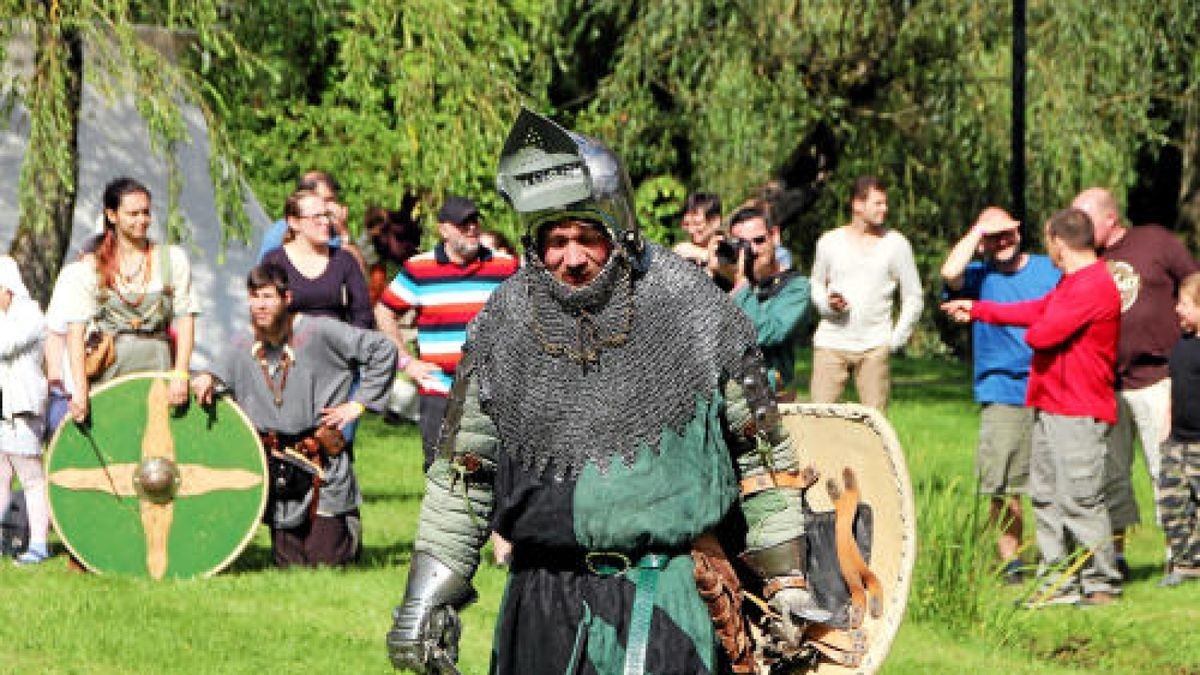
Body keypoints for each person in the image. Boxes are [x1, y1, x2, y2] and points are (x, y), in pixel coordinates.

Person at [387, 108, 825, 675]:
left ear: (618, 229)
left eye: (587, 237)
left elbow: (764, 457)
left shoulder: (694, 311)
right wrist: (426, 600)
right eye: (555, 239)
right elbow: (462, 475)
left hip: (665, 600)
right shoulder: (505, 323)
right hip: (540, 605)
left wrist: (787, 585)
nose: (571, 258)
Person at [942, 207, 1122, 606]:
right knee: (1045, 493)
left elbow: (1043, 333)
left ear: (1059, 242)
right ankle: (1056, 580)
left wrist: (1035, 328)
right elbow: (1037, 312)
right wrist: (979, 309)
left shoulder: (1092, 284)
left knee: (1080, 497)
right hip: (1050, 404)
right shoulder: (1072, 283)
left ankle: (1100, 583)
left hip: (1079, 408)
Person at [190, 263, 396, 568]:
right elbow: (217, 370)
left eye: (268, 296)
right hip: (279, 469)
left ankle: (347, 528)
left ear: (287, 298)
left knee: (327, 562)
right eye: (255, 297)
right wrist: (207, 376)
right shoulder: (242, 343)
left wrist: (359, 403)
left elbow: (382, 350)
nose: (260, 305)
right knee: (290, 565)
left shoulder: (319, 331)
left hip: (321, 462)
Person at [1072, 187, 1199, 576]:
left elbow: (1193, 278)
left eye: (1083, 218)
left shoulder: (1154, 241)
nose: (1076, 227)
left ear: (1109, 218)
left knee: (1166, 470)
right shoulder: (1084, 260)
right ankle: (1116, 554)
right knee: (1111, 474)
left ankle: (1177, 554)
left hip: (1158, 376)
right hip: (1108, 384)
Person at [940, 207, 1061, 583]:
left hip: (1051, 383)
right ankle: (1012, 561)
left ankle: (1056, 558)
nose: (1001, 241)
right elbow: (948, 273)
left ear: (1020, 231)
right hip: (1001, 388)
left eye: (1006, 233)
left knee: (1052, 478)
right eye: (993, 237)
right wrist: (978, 231)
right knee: (1003, 482)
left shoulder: (1048, 269)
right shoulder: (979, 275)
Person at [373, 195, 518, 471]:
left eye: (475, 221)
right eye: (463, 224)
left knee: (502, 476)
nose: (472, 229)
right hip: (441, 391)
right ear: (444, 230)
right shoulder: (419, 269)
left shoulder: (506, 266)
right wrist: (406, 362)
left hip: (497, 390)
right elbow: (384, 312)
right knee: (441, 473)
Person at [62, 177, 200, 424]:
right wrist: (80, 390)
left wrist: (181, 373)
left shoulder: (172, 260)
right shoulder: (90, 268)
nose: (142, 220)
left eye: (146, 213)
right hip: (111, 371)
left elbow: (186, 320)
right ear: (112, 215)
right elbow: (75, 335)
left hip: (159, 366)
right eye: (133, 213)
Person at [809, 176, 922, 411]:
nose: (885, 209)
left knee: (875, 423)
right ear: (857, 205)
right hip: (831, 343)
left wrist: (893, 341)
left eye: (885, 203)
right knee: (819, 418)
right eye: (878, 203)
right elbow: (816, 284)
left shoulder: (896, 244)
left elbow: (913, 296)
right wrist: (828, 305)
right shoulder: (829, 242)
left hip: (874, 346)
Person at [727, 205, 812, 394]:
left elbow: (768, 333)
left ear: (774, 236)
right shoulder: (726, 279)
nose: (753, 251)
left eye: (759, 240)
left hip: (767, 396)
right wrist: (709, 272)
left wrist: (741, 287)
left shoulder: (795, 287)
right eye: (743, 245)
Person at [261, 188, 374, 328]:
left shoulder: (343, 260)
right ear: (294, 222)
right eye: (317, 217)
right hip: (290, 343)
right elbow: (265, 312)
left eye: (327, 215)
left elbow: (362, 313)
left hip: (338, 343)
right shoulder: (274, 261)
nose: (326, 221)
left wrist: (349, 345)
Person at [0, 257, 50, 565]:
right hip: (2, 408)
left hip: (22, 409)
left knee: (31, 477)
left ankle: (40, 544)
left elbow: (5, 345)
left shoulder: (28, 314)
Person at [1158, 271, 1200, 587]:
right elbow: (1173, 389)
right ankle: (1185, 563)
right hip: (1177, 441)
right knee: (1174, 505)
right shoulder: (1181, 345)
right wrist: (1165, 431)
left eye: (1184, 304)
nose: (1177, 310)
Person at [257, 170, 364, 270]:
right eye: (326, 200)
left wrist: (344, 232)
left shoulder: (335, 231)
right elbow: (262, 280)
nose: (331, 207)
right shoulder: (279, 232)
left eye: (333, 201)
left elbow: (361, 277)